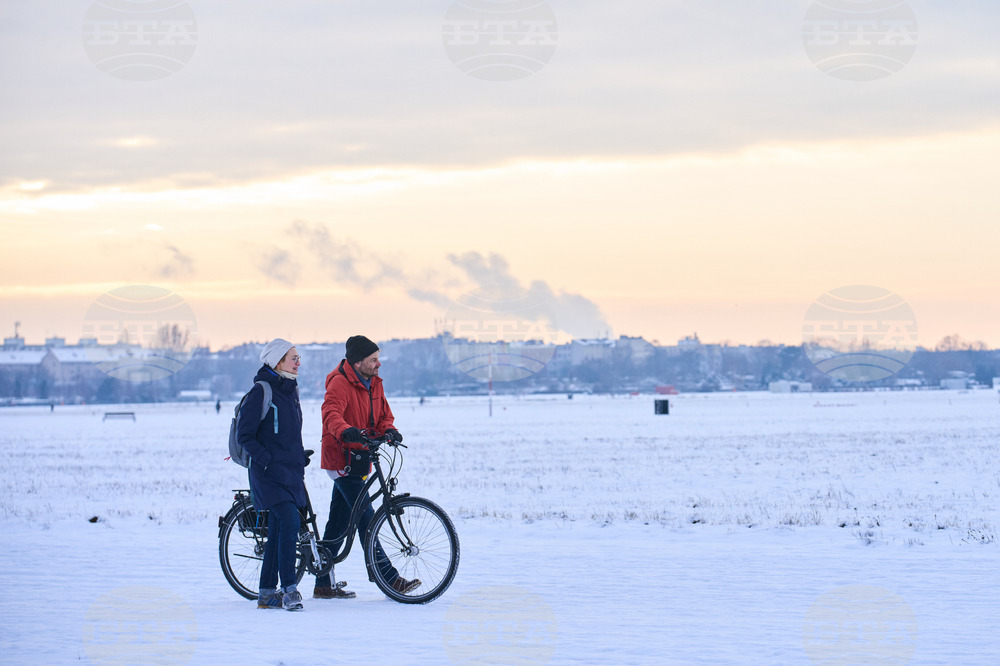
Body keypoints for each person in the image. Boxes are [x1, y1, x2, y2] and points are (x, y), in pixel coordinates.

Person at [313, 335, 420, 599]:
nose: (378, 364)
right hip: (341, 459)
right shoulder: (339, 382)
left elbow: (383, 415)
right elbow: (331, 414)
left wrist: (390, 430)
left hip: (361, 456)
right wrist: (345, 430)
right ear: (358, 362)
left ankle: (323, 584)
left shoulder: (375, 383)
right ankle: (389, 578)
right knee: (366, 517)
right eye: (373, 359)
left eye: (378, 358)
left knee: (338, 522)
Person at [236, 338, 310, 611]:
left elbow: (288, 434)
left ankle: (267, 594)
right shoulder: (261, 391)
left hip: (290, 472)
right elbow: (245, 435)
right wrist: (266, 459)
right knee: (290, 523)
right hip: (268, 474)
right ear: (277, 362)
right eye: (293, 357)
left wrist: (298, 456)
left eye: (298, 357)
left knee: (280, 530)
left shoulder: (290, 390)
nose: (298, 362)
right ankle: (290, 589)